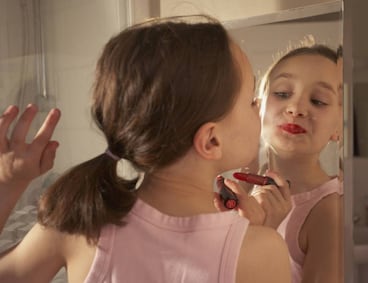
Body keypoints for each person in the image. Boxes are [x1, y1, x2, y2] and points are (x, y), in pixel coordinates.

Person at [0, 16, 292, 283]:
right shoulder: (260, 252)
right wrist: (262, 231)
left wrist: (9, 184)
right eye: (251, 100)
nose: (259, 108)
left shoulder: (80, 222)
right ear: (211, 141)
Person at [257, 44, 344, 283]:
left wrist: (262, 238)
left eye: (318, 100)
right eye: (283, 93)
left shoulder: (329, 212)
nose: (295, 109)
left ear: (339, 127)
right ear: (258, 106)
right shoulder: (250, 185)